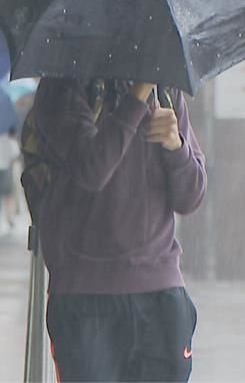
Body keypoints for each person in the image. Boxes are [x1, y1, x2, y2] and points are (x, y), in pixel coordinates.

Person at [30, 78, 206, 382]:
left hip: (160, 293)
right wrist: (136, 98)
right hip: (85, 297)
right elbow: (92, 169)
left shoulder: (165, 91)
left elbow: (191, 196)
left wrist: (176, 146)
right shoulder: (64, 87)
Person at [0, 127, 22, 236]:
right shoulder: (8, 137)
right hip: (5, 167)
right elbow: (15, 154)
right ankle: (9, 217)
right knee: (8, 193)